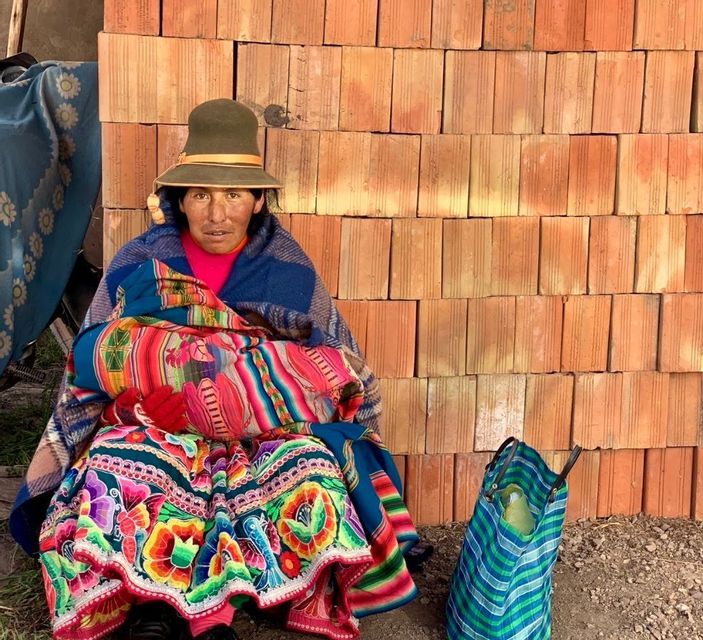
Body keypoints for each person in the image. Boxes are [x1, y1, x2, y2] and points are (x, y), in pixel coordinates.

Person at [10, 99, 420, 640]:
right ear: (179, 199)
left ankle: (224, 604)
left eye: (233, 194)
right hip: (156, 426)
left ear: (258, 201)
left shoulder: (289, 271)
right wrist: (131, 406)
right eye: (201, 194)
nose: (217, 212)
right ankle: (158, 606)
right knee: (115, 463)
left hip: (261, 432)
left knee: (312, 476)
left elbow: (334, 372)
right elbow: (94, 362)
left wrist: (251, 399)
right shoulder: (139, 263)